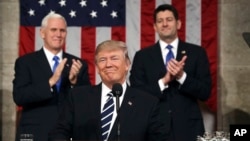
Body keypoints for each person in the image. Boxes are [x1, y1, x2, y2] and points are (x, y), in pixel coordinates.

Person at [48, 40, 167, 141]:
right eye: (102, 60)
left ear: (127, 64)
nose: (108, 64)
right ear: (97, 68)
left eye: (114, 58)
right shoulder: (78, 97)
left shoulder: (147, 103)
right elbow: (58, 133)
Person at [129, 4, 212, 141]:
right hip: (154, 129)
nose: (165, 24)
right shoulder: (142, 56)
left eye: (169, 19)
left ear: (178, 24)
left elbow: (205, 92)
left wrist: (181, 77)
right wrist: (163, 81)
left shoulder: (197, 53)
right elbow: (136, 94)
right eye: (160, 21)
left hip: (188, 129)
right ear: (155, 27)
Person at [12, 13, 91, 141]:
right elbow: (20, 96)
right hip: (36, 133)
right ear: (42, 33)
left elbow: (87, 102)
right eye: (53, 30)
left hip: (68, 134)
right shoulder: (25, 62)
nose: (58, 34)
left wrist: (73, 83)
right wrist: (50, 82)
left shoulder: (77, 64)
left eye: (62, 31)